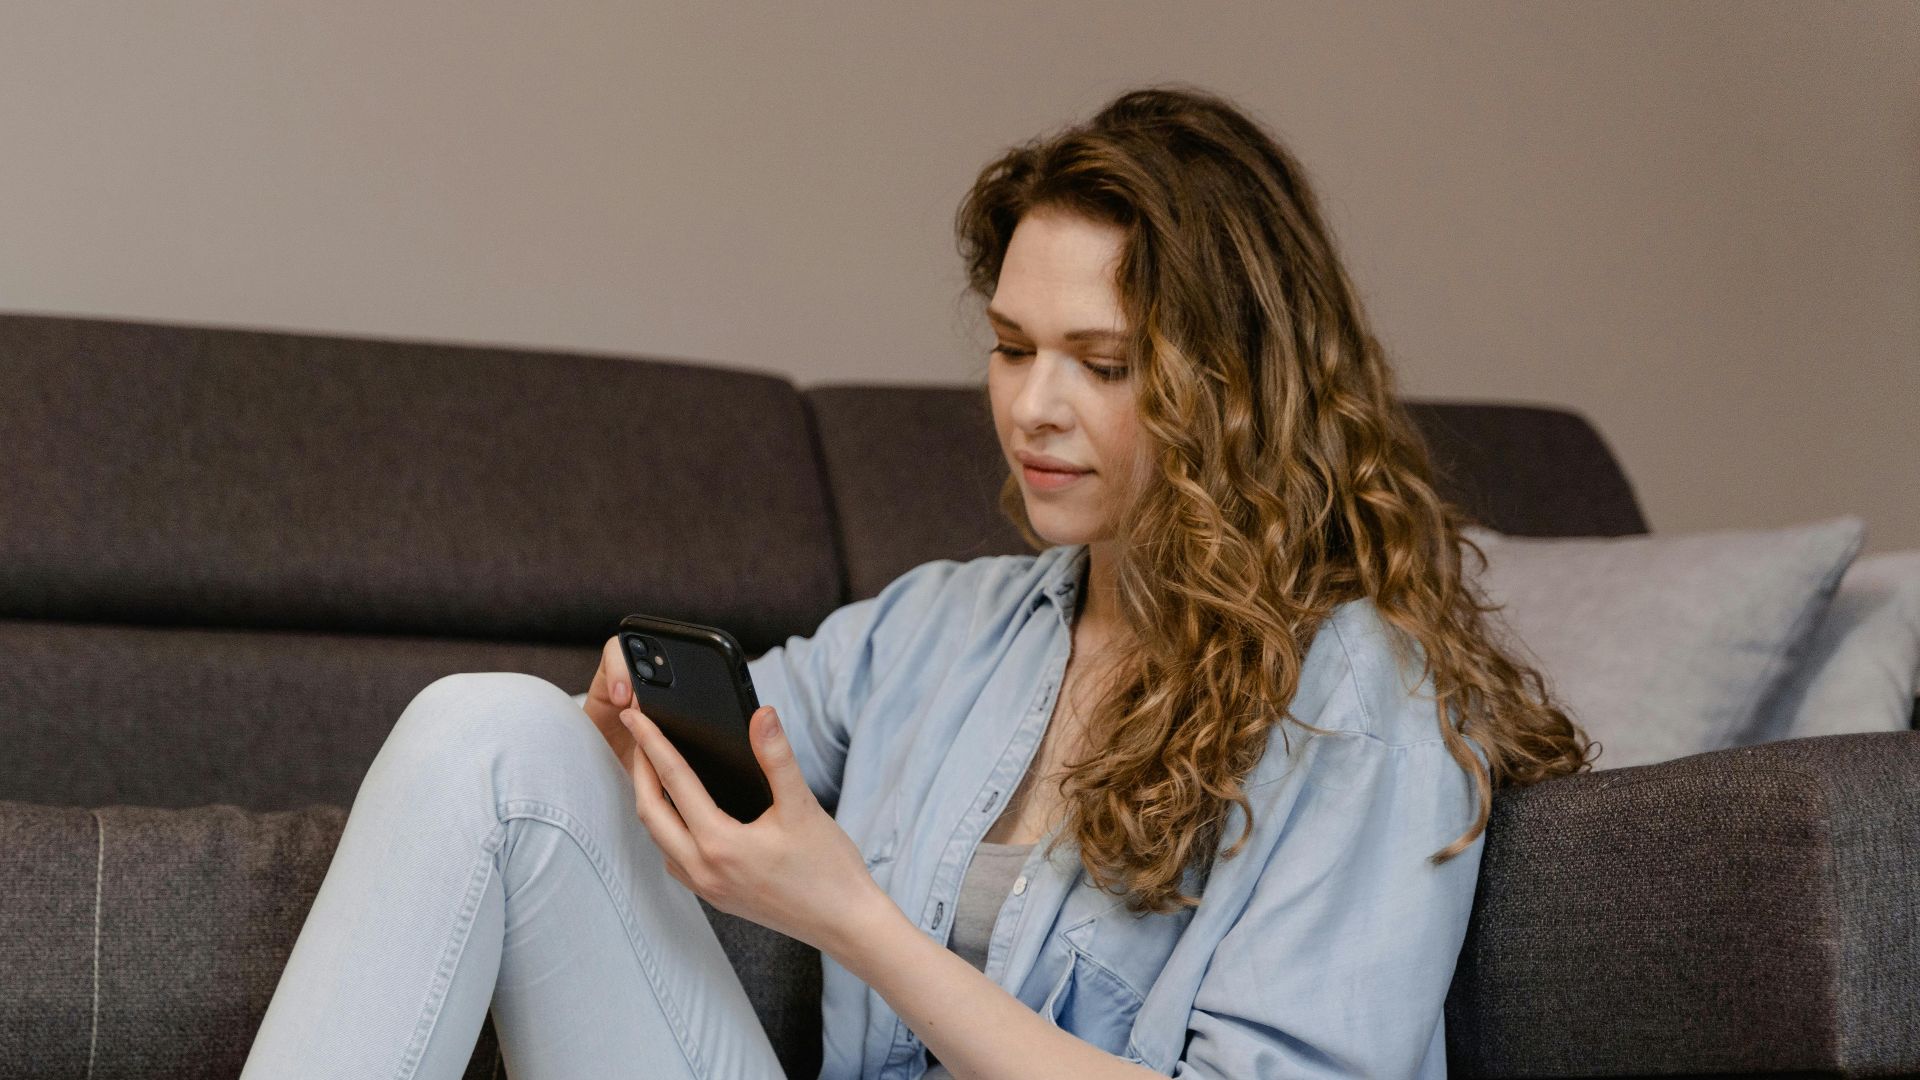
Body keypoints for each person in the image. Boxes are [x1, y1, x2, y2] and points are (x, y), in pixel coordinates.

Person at [240, 84, 1594, 1080]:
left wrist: (855, 920)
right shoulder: (944, 627)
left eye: (1104, 364)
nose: (1035, 409)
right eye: (1012, 347)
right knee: (498, 734)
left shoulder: (1358, 696)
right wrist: (622, 730)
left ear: (1235, 386)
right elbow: (684, 761)